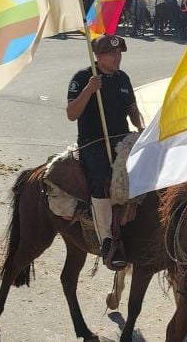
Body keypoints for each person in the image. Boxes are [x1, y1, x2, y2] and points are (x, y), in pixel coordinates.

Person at [66, 34, 144, 271]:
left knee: (147, 169)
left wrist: (141, 126)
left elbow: (132, 109)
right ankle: (107, 239)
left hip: (121, 138)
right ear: (98, 57)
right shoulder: (82, 78)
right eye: (112, 54)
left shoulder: (123, 78)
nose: (117, 57)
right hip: (93, 141)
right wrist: (89, 90)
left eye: (119, 53)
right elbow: (71, 113)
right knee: (102, 180)